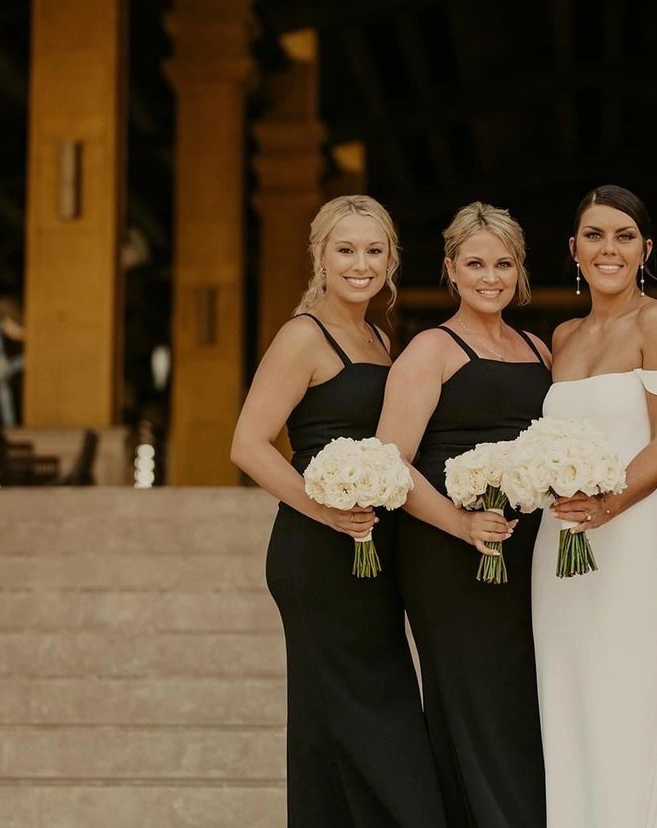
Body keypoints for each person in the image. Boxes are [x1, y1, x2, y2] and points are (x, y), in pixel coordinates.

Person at [230, 196, 445, 827]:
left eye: (374, 251)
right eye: (345, 249)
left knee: (356, 721)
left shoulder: (379, 338)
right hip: (318, 552)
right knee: (362, 720)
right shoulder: (303, 335)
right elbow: (247, 444)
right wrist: (324, 512)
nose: (360, 263)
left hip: (371, 553)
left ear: (391, 261)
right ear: (320, 257)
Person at [376, 202, 550, 828]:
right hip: (450, 553)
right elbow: (390, 462)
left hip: (530, 552)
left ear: (520, 269)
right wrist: (462, 524)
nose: (490, 276)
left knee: (524, 699)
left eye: (504, 263)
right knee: (475, 699)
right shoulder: (431, 348)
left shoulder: (539, 348)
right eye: (475, 262)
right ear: (450, 267)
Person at [532, 185, 657, 827]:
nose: (609, 248)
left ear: (645, 250)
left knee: (630, 699)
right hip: (559, 548)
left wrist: (608, 504)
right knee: (568, 702)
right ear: (573, 249)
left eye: (624, 236)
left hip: (631, 543)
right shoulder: (564, 335)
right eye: (595, 235)